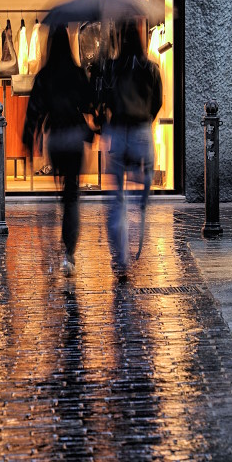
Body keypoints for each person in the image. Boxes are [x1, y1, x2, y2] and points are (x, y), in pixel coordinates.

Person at [22, 24, 96, 276]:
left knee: (62, 188)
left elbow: (34, 111)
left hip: (55, 138)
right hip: (74, 137)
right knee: (72, 193)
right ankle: (69, 252)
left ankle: (62, 233)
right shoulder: (76, 73)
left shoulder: (45, 76)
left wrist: (28, 139)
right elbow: (89, 103)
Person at [103, 19, 163, 279]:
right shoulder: (151, 67)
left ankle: (121, 258)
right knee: (142, 189)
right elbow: (158, 101)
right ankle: (140, 217)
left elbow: (104, 99)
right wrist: (146, 120)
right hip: (141, 131)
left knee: (117, 200)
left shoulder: (113, 67)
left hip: (119, 132)